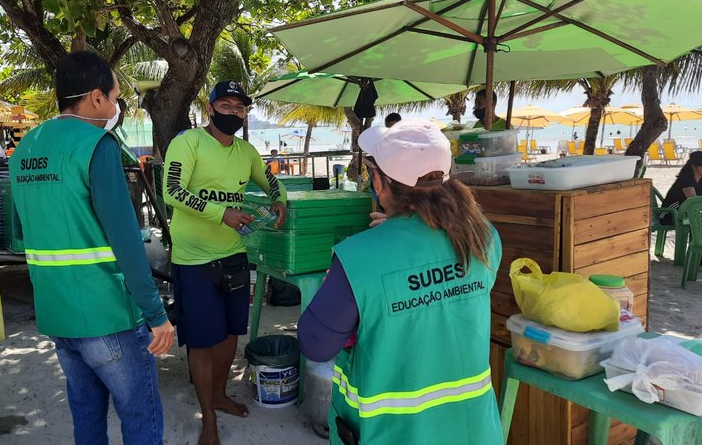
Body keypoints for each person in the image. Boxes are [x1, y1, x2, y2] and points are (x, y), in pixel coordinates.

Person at [298, 118, 503, 445]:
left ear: (379, 183)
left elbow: (315, 344)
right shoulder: (484, 238)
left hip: (390, 433)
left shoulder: (358, 258)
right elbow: (444, 304)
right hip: (473, 431)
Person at [9, 51, 174, 445]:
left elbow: (18, 233)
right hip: (107, 315)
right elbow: (125, 240)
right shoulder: (97, 144)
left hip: (55, 313)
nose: (116, 108)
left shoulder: (26, 147)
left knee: (86, 416)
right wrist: (156, 314)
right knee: (141, 420)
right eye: (116, 99)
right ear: (96, 97)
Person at [164, 80, 288, 445]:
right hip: (193, 260)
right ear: (211, 108)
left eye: (240, 108)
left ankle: (219, 395)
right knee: (203, 341)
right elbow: (173, 191)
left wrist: (279, 201)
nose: (234, 113)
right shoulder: (187, 143)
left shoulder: (246, 151)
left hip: (234, 256)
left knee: (231, 332)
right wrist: (222, 213)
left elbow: (271, 182)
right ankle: (207, 419)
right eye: (227, 106)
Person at [660, 150, 702, 267]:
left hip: (687, 212)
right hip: (669, 213)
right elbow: (694, 202)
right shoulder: (686, 178)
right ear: (694, 167)